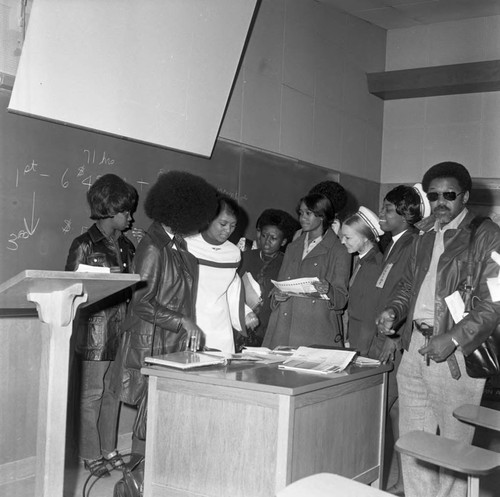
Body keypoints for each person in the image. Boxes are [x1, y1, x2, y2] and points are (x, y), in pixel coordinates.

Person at [376, 162, 500, 497]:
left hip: (456, 351)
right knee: (414, 442)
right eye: (434, 195)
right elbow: (407, 284)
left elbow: (495, 303)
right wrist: (394, 310)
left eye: (450, 194)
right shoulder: (424, 234)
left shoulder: (488, 235)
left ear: (466, 196)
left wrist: (454, 338)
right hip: (416, 344)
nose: (441, 201)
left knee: (453, 449)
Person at [109, 170, 218, 453]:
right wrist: (183, 321)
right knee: (148, 417)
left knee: (158, 416)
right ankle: (136, 480)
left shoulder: (177, 245)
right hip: (152, 342)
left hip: (169, 341)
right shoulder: (153, 247)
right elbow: (141, 302)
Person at [65, 173, 138, 477]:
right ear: (109, 210)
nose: (131, 217)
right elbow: (69, 289)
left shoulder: (128, 247)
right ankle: (90, 452)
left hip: (121, 329)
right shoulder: (83, 244)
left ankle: (108, 448)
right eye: (126, 212)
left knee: (112, 393)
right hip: (94, 331)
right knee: (91, 394)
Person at [368, 184, 429, 496]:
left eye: (389, 210)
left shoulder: (413, 243)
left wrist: (396, 339)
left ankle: (407, 483)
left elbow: (409, 294)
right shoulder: (393, 242)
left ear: (407, 216)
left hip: (398, 340)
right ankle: (403, 482)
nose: (382, 214)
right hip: (386, 333)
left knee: (399, 412)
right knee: (396, 412)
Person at [263, 193, 350, 348]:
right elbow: (279, 286)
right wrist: (277, 296)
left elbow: (341, 300)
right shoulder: (292, 247)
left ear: (322, 216)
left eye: (308, 213)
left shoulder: (338, 250)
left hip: (315, 332)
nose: (302, 218)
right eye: (301, 213)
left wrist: (328, 289)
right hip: (283, 329)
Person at [186, 195, 258, 352]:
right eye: (223, 224)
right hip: (191, 321)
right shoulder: (186, 246)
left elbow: (232, 288)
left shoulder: (233, 252)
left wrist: (246, 313)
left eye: (233, 225)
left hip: (220, 326)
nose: (228, 230)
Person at [237, 209, 299, 346]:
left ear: (283, 242)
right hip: (239, 327)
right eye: (264, 235)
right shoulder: (244, 258)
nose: (266, 242)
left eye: (274, 238)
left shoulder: (288, 264)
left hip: (269, 333)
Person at [340, 206, 384, 356]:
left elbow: (369, 315)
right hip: (356, 339)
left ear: (365, 236)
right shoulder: (362, 260)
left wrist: (360, 352)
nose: (342, 241)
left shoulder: (374, 265)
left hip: (365, 345)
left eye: (348, 237)